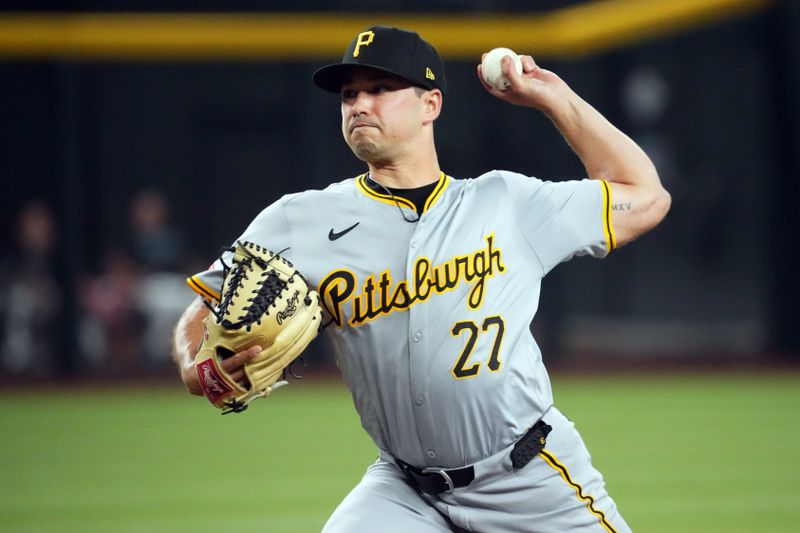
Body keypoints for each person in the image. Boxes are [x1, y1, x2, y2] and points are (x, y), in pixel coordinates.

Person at [172, 26, 670, 532]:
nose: (360, 104)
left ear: (431, 103)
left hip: (527, 478)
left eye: (380, 89)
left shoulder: (507, 203)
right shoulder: (299, 221)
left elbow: (646, 196)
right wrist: (196, 364)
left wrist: (555, 98)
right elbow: (204, 303)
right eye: (349, 94)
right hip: (403, 488)